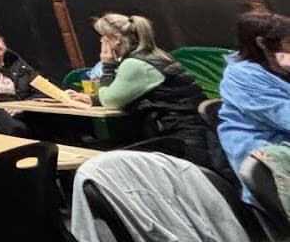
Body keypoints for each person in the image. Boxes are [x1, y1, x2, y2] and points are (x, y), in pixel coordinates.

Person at [66, 13, 217, 169]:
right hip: (193, 132)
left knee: (104, 161)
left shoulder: (135, 64)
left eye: (104, 37)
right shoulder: (154, 55)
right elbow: (133, 92)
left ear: (116, 39)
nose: (101, 41)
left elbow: (110, 101)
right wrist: (93, 99)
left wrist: (108, 66)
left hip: (181, 140)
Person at [217, 11, 290, 206]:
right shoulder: (241, 76)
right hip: (267, 152)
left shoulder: (280, 67)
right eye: (288, 42)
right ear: (262, 43)